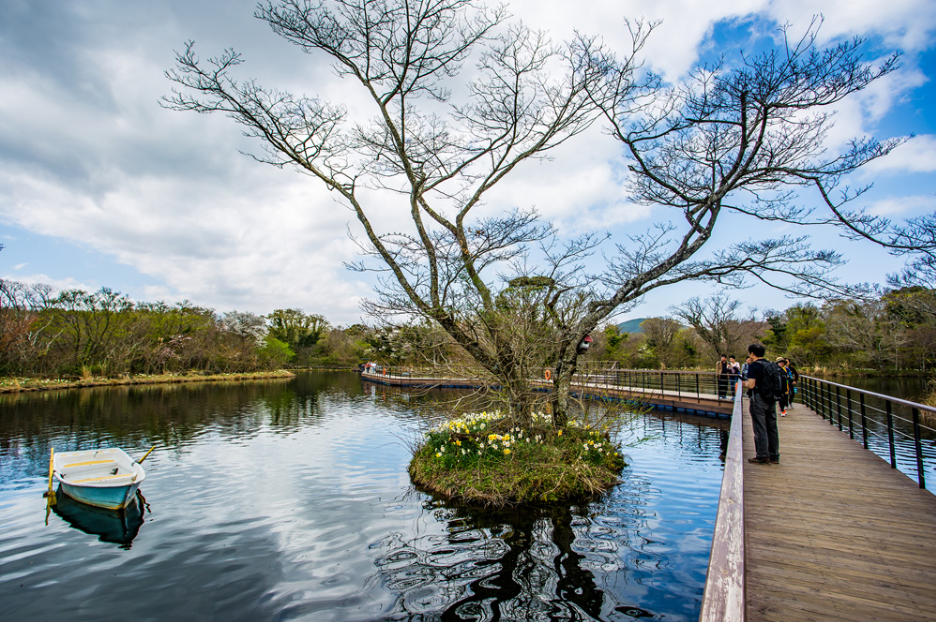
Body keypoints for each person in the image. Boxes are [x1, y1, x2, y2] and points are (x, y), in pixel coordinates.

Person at [744, 343, 780, 465]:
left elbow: (751, 384)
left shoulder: (754, 366)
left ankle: (762, 455)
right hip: (771, 399)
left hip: (758, 399)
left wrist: (743, 384)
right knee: (772, 428)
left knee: (760, 428)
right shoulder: (771, 365)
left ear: (752, 354)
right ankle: (774, 456)